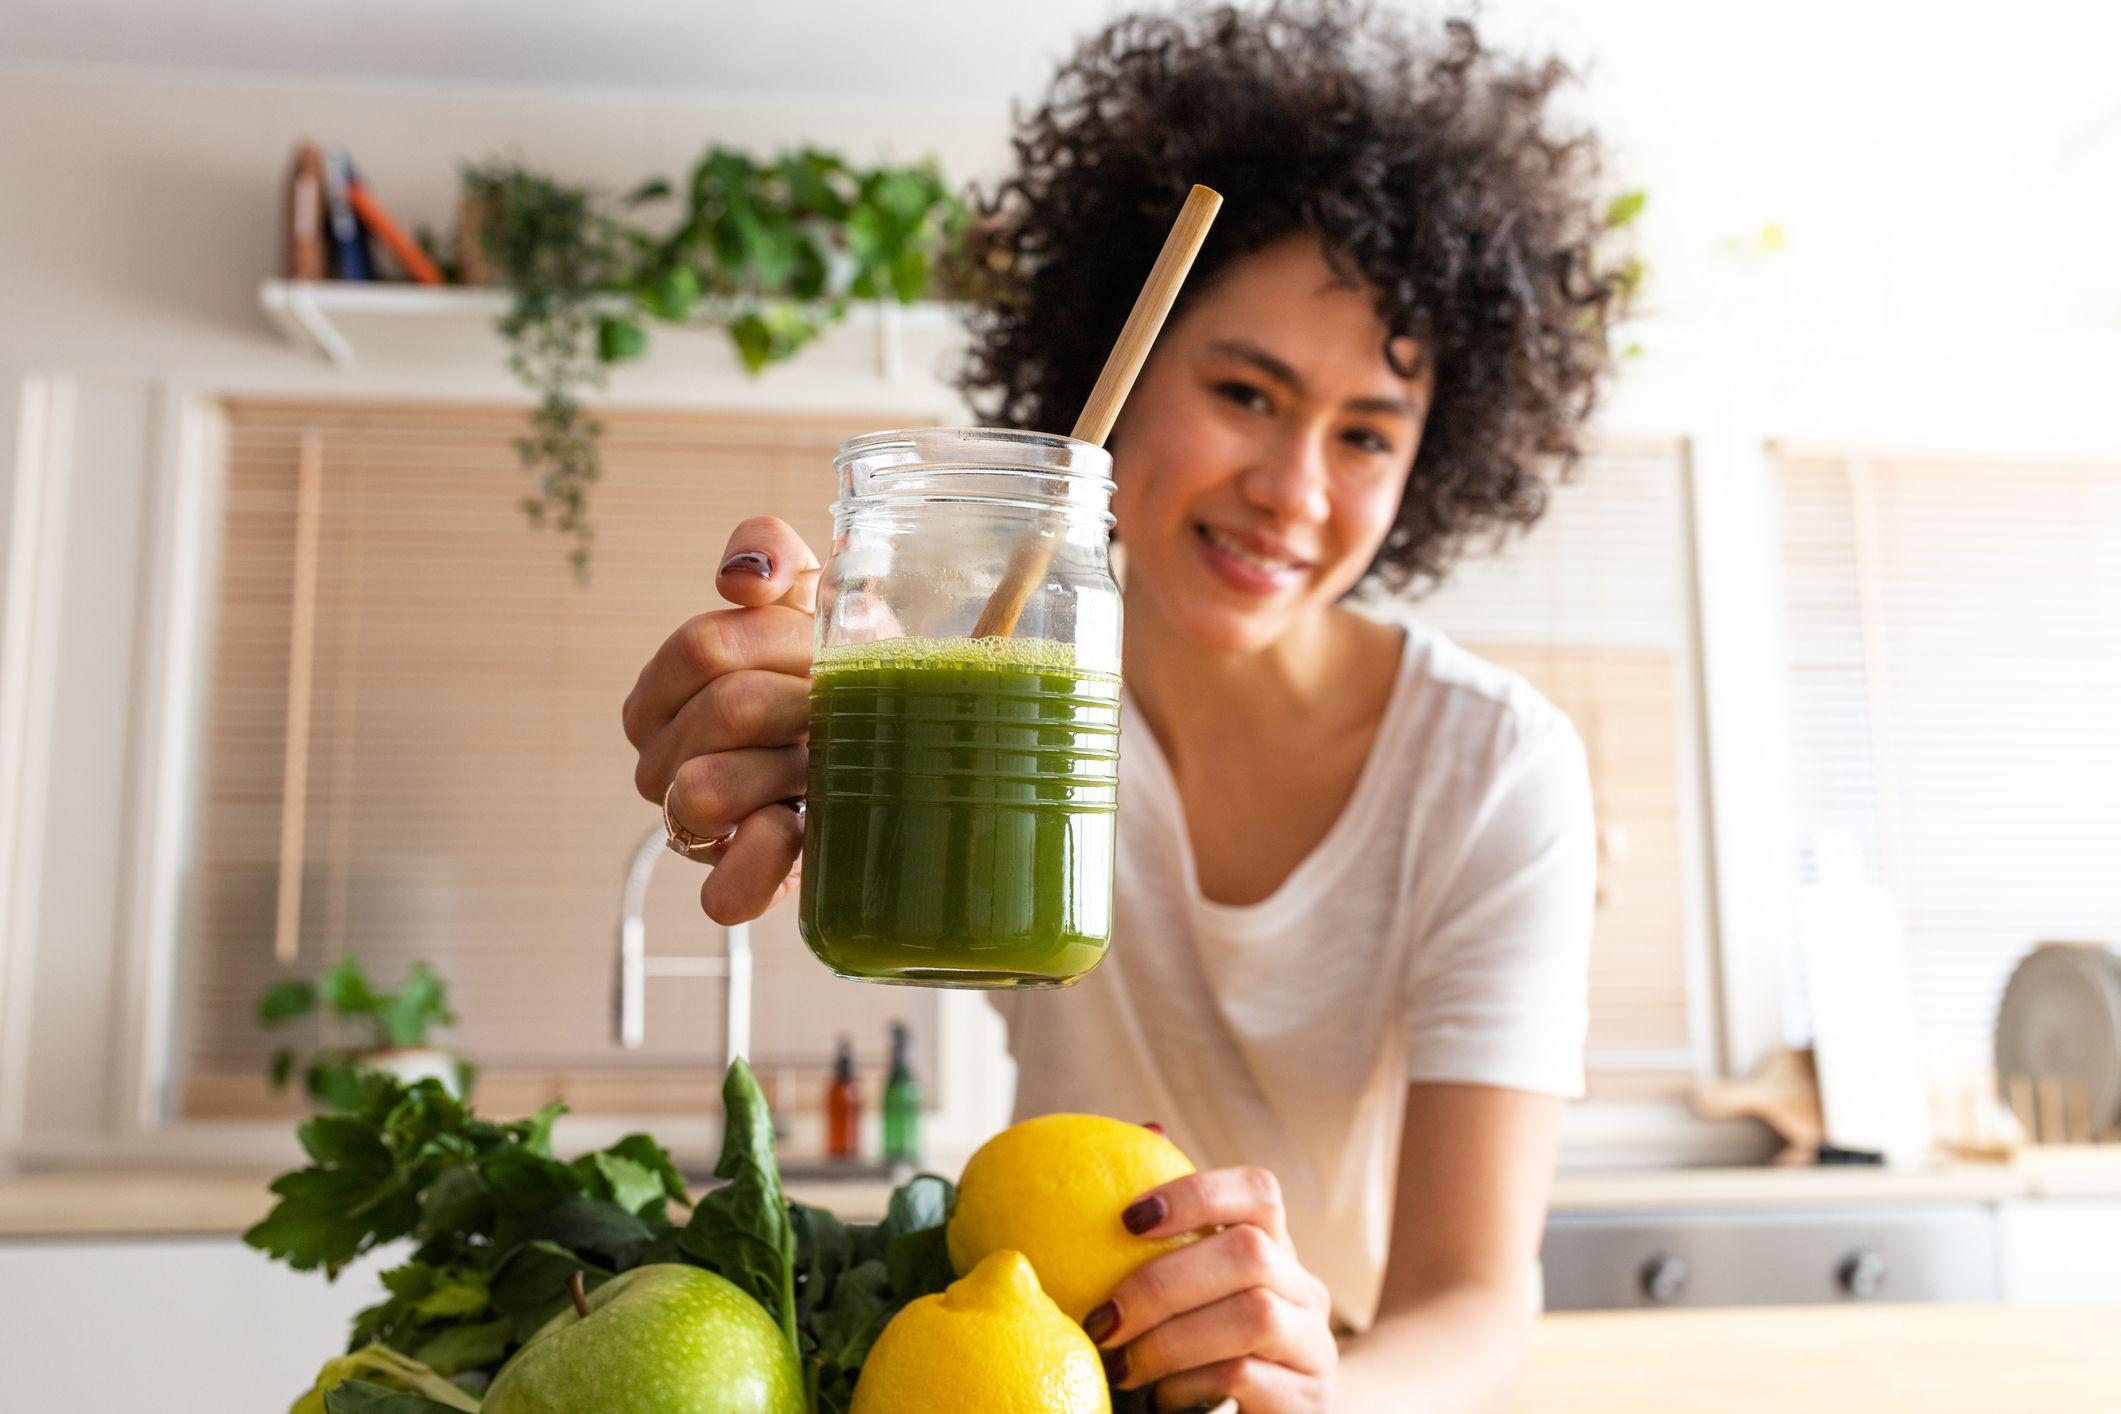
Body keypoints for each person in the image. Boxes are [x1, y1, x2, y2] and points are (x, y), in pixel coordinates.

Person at [622, 4, 1629, 1408]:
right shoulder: (984, 674)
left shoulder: (1490, 764)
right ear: (1115, 368)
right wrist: (776, 719)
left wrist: (1324, 1388)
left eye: (1365, 435)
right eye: (1243, 390)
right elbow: (855, 799)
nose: (1294, 489)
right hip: (1019, 1366)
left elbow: (1473, 1294)